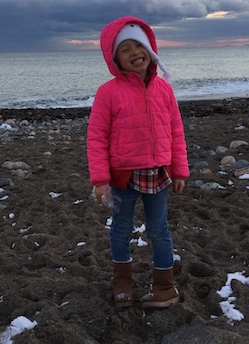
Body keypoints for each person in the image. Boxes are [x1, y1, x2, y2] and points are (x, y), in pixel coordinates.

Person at [87, 16, 189, 309]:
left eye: (139, 45)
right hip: (122, 177)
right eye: (125, 48)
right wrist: (100, 180)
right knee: (121, 228)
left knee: (159, 230)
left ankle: (165, 287)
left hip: (159, 174)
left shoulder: (164, 89)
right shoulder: (108, 92)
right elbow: (96, 137)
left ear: (150, 48)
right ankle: (123, 285)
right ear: (114, 57)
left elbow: (176, 131)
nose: (134, 53)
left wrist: (180, 169)